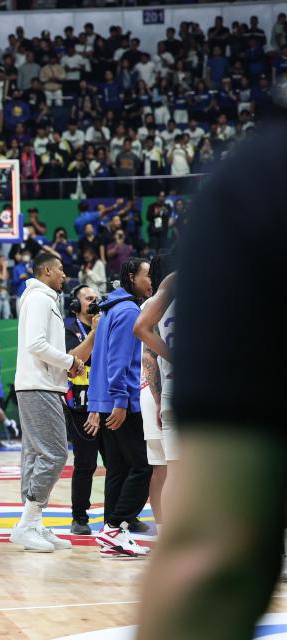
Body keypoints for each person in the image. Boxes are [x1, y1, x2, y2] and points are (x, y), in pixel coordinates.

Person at [136, 107, 287, 640]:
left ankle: (167, 529)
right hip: (193, 385)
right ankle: (164, 528)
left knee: (180, 480)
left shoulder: (251, 177)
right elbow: (143, 331)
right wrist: (165, 368)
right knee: (178, 478)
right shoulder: (261, 179)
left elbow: (144, 332)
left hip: (194, 383)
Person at [11, 251, 82, 553]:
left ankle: (33, 521)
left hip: (38, 385)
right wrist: (69, 361)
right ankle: (27, 523)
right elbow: (36, 344)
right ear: (48, 271)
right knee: (54, 454)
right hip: (38, 385)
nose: (65, 275)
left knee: (36, 454)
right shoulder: (40, 298)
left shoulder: (39, 298)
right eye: (61, 270)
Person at [86, 257, 153, 559]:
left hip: (105, 401)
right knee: (142, 466)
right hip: (121, 403)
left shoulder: (112, 308)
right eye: (146, 275)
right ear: (131, 276)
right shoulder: (128, 311)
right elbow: (119, 360)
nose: (150, 280)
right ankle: (115, 526)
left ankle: (111, 532)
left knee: (118, 469)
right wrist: (120, 400)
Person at [133, 265, 176, 528]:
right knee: (164, 468)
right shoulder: (156, 301)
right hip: (156, 390)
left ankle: (168, 531)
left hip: (164, 391)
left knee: (170, 469)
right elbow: (148, 357)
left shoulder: (160, 297)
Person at [63, 285, 101, 535]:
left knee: (120, 462)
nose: (94, 302)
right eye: (89, 299)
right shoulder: (67, 329)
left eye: (97, 298)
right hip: (80, 405)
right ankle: (79, 517)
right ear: (76, 305)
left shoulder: (108, 324)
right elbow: (73, 360)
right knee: (85, 463)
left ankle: (119, 517)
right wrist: (94, 333)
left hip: (106, 402)